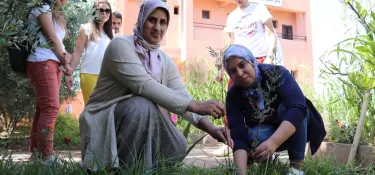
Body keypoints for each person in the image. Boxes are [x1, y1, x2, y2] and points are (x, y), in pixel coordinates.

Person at [79, 0, 232, 171]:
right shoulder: (120, 46)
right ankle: (125, 171)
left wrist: (212, 129)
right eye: (152, 20)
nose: (157, 27)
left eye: (163, 22)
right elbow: (144, 85)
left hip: (137, 115)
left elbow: (182, 96)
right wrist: (196, 105)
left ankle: (145, 168)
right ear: (141, 20)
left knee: (178, 144)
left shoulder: (164, 60)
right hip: (106, 117)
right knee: (141, 106)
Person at [223, 44, 326, 175]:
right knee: (252, 135)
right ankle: (267, 162)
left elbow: (298, 108)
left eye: (242, 65)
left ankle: (296, 169)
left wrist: (273, 142)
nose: (239, 73)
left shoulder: (276, 73)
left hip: (297, 129)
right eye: (232, 71)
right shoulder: (234, 94)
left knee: (290, 108)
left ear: (251, 61)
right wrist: (240, 173)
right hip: (268, 132)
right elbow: (238, 135)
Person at [214, 0, 284, 157]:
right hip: (237, 63)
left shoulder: (259, 8)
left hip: (259, 60)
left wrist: (270, 58)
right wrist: (221, 69)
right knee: (232, 100)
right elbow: (231, 43)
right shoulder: (232, 16)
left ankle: (265, 143)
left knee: (262, 102)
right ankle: (230, 142)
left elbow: (270, 33)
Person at [26, 0, 72, 162]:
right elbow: (51, 38)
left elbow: (58, 43)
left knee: (42, 109)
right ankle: (46, 155)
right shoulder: (41, 7)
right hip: (42, 61)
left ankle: (37, 155)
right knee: (51, 108)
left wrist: (66, 64)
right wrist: (66, 62)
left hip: (53, 63)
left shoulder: (55, 13)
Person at [66, 0, 114, 105]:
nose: (105, 13)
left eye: (107, 11)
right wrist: (70, 74)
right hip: (89, 74)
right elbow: (77, 52)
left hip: (107, 77)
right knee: (91, 108)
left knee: (104, 111)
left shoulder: (112, 34)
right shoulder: (86, 28)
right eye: (101, 10)